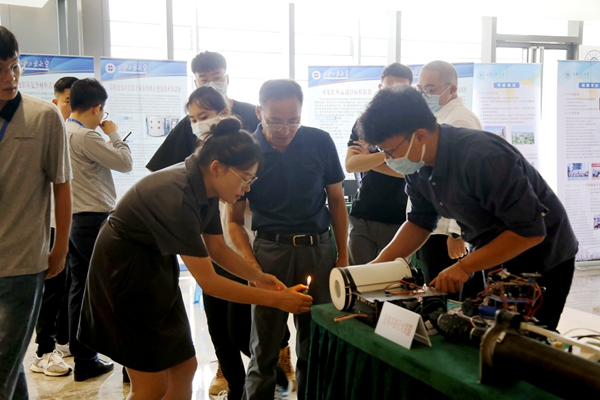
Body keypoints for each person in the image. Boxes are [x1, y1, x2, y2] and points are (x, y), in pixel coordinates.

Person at [77, 117, 312, 400]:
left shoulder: (206, 185)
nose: (248, 188)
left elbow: (217, 248)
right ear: (217, 167)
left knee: (184, 367)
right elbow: (209, 283)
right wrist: (277, 300)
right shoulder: (178, 194)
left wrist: (258, 277)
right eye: (245, 178)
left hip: (156, 273)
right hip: (124, 279)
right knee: (151, 386)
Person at [358, 85, 577, 330]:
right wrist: (377, 267)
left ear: (419, 136)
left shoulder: (483, 157)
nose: (389, 160)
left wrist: (464, 266)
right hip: (490, 253)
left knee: (520, 341)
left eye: (390, 152)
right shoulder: (416, 163)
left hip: (539, 258)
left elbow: (530, 231)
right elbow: (419, 222)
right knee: (476, 329)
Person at [147, 52, 295, 396]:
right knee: (218, 321)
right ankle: (234, 378)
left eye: (215, 76)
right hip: (208, 237)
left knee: (243, 322)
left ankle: (274, 359)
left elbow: (241, 209)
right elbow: (161, 173)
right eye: (194, 118)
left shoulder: (247, 133)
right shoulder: (188, 163)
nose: (200, 122)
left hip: (241, 237)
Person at [226, 79, 348, 400]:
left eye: (293, 120)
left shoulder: (319, 141)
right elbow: (233, 221)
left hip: (318, 250)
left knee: (315, 343)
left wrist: (343, 255)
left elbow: (336, 200)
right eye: (275, 121)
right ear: (259, 112)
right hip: (270, 252)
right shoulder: (246, 151)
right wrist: (252, 268)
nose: (285, 129)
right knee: (264, 348)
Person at [0, 27, 72, 399]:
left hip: (24, 260)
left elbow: (62, 185)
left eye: (14, 67)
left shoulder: (44, 117)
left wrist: (60, 247)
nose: (9, 79)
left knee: (3, 361)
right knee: (10, 364)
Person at [66, 78, 133, 381]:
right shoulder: (87, 136)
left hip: (72, 220)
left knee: (79, 290)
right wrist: (114, 134)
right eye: (102, 111)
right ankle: (131, 368)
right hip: (94, 220)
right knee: (116, 288)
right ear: (96, 108)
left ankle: (84, 360)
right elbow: (125, 163)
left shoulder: (63, 130)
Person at [414, 60, 483, 290]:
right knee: (434, 288)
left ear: (452, 88)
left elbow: (467, 182)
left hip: (448, 231)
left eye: (430, 89)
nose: (424, 95)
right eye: (420, 89)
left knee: (450, 293)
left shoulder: (460, 119)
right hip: (433, 224)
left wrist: (456, 233)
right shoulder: (435, 117)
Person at [29, 77, 79, 378]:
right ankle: (43, 351)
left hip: (70, 223)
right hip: (44, 225)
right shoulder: (45, 132)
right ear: (55, 102)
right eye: (68, 101)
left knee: (67, 285)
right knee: (51, 290)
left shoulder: (79, 133)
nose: (73, 107)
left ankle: (62, 341)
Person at [146, 50, 259, 172]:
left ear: (227, 79)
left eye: (217, 78)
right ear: (196, 83)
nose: (211, 84)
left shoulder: (252, 113)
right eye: (204, 80)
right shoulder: (191, 123)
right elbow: (158, 167)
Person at [345, 63, 412, 265]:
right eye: (389, 88)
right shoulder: (365, 122)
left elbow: (410, 171)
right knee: (357, 278)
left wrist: (369, 158)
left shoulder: (415, 126)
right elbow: (351, 165)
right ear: (380, 88)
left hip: (400, 219)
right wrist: (390, 155)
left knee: (394, 280)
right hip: (363, 213)